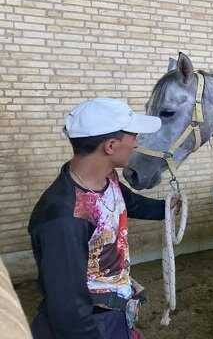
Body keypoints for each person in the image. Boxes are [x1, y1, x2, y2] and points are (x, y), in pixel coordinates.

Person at [28, 98, 180, 339]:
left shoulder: (107, 179)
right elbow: (68, 310)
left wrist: (167, 208)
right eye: (134, 136)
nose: (137, 143)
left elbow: (127, 203)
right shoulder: (63, 217)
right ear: (110, 146)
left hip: (113, 315)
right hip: (92, 325)